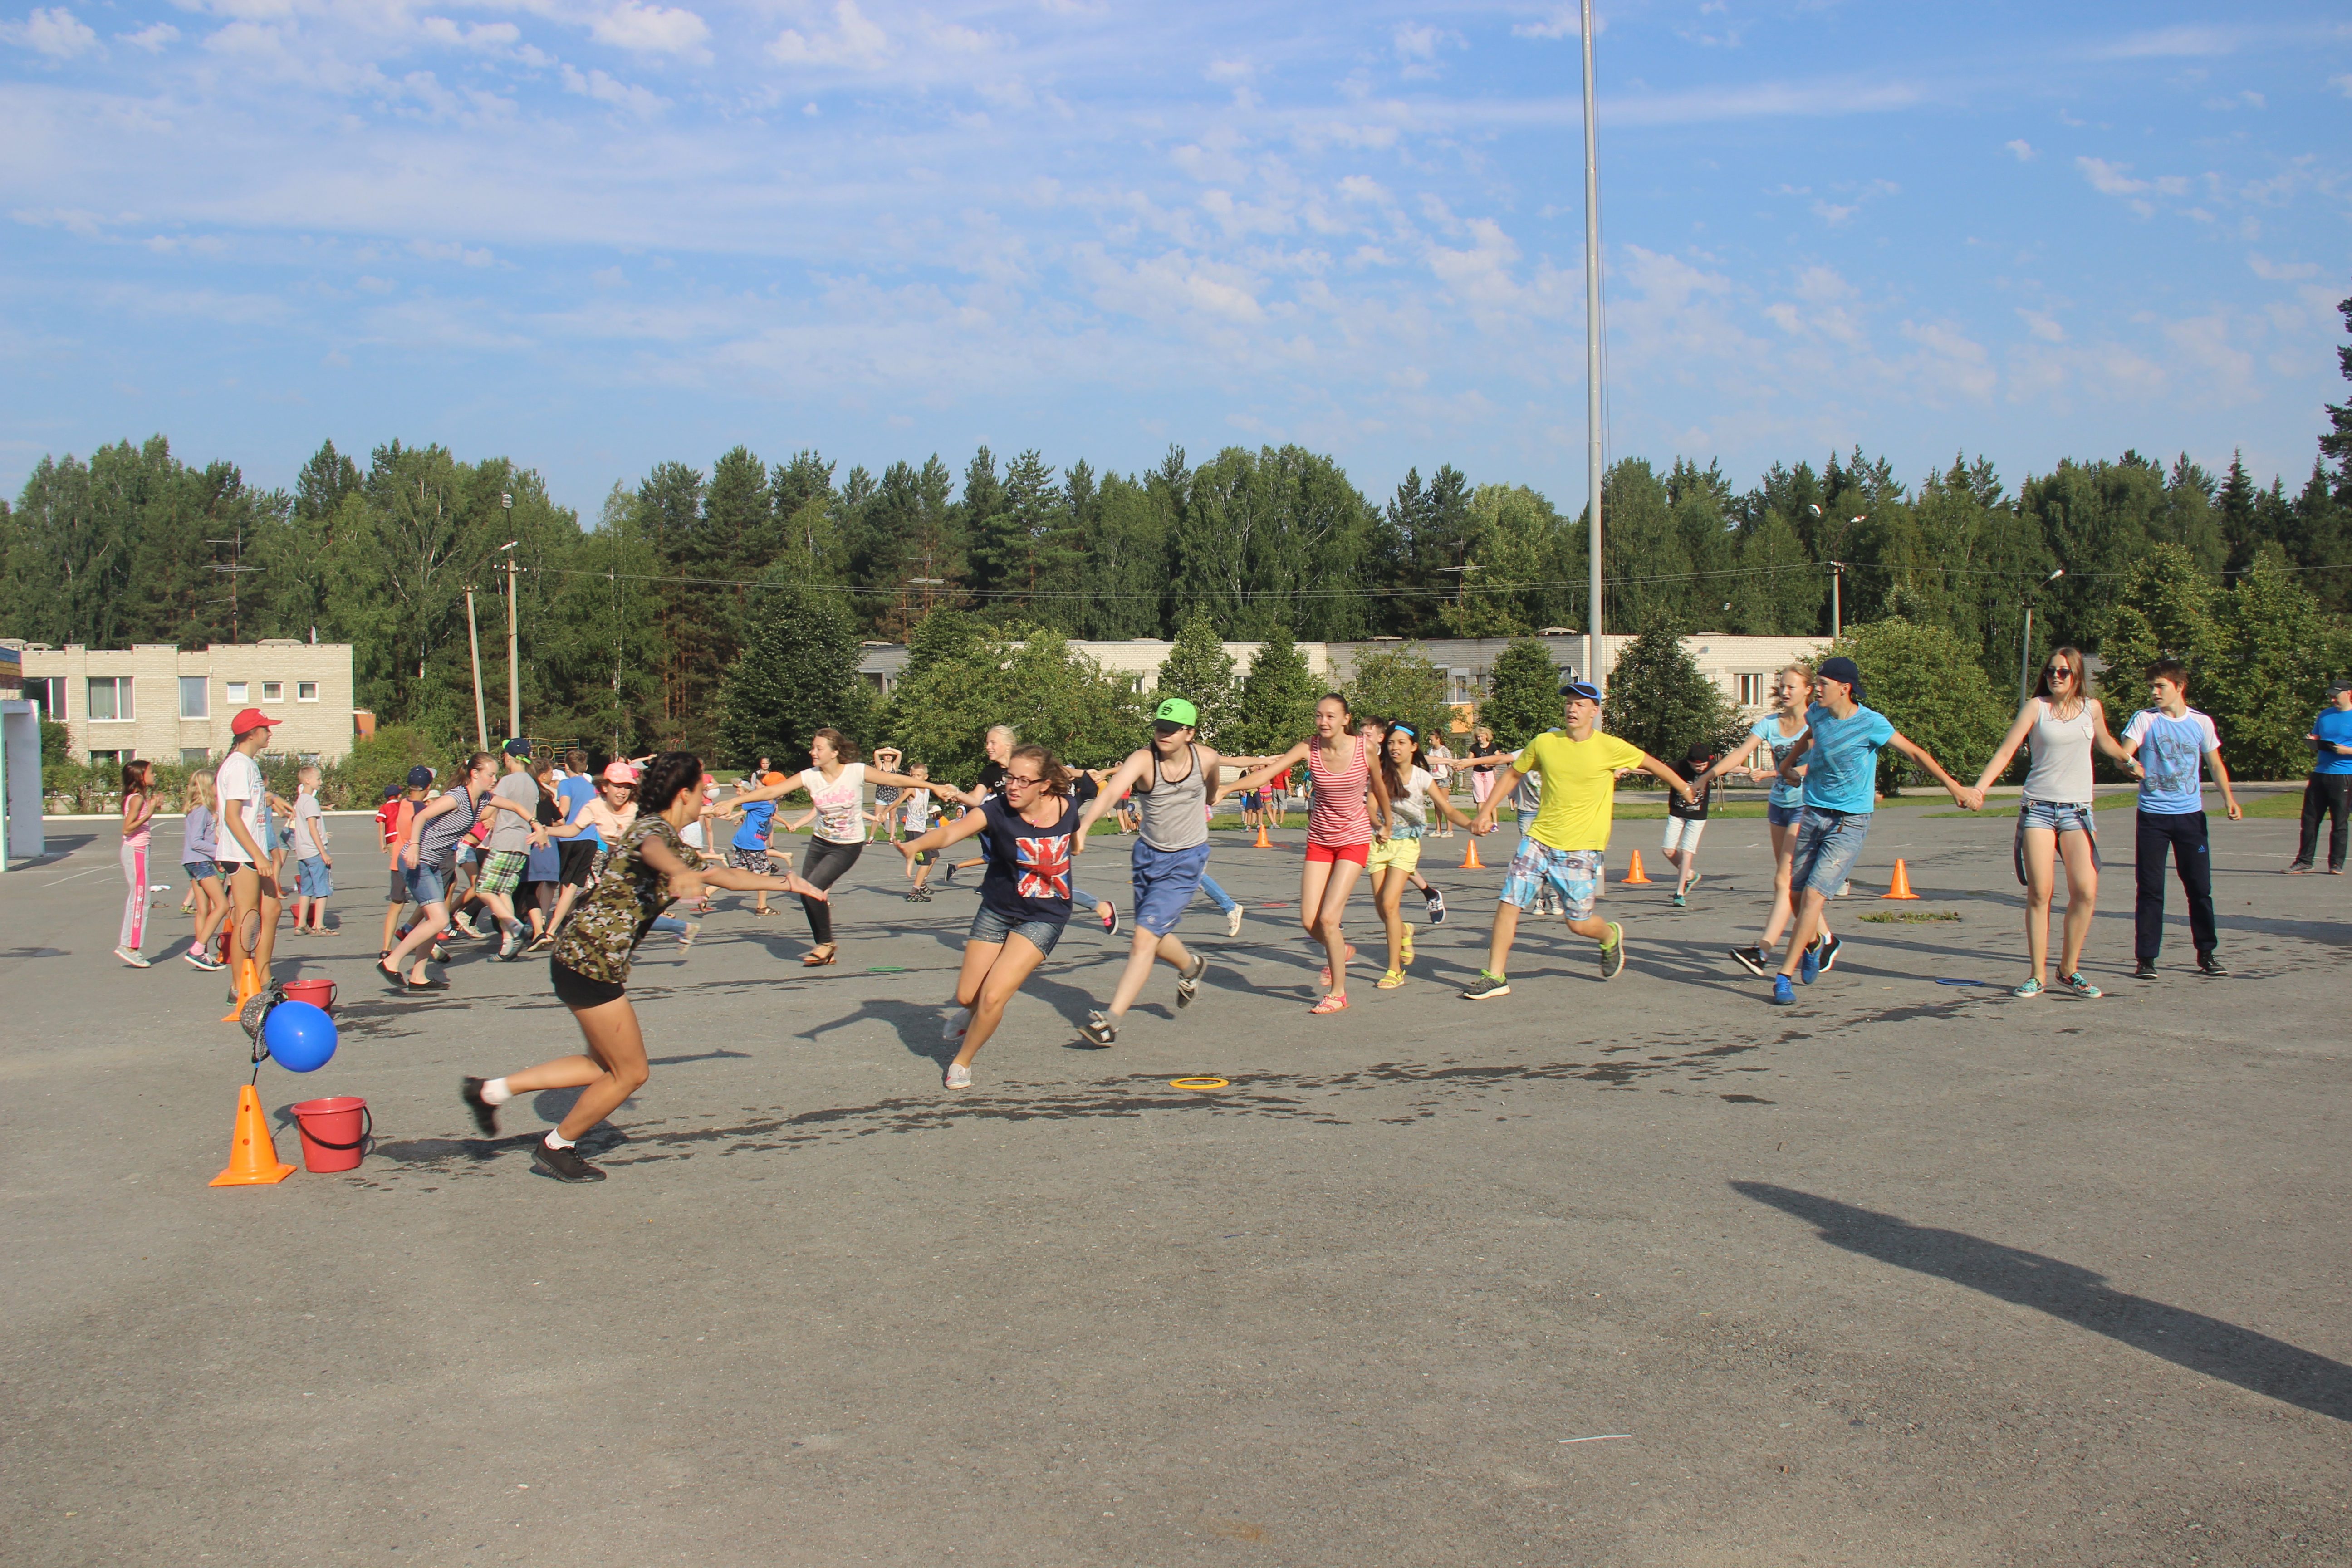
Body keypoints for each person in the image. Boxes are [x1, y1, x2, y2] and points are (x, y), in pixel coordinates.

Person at [460, 751, 823, 1181]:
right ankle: (557, 1145)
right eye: (702, 790)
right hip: (590, 963)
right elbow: (654, 853)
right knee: (631, 1072)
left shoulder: (669, 836)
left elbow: (720, 876)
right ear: (684, 794)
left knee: (602, 1065)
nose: (707, 795)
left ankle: (490, 1091)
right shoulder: (653, 831)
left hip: (582, 958)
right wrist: (676, 872)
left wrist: (785, 882)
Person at [1764, 656, 1982, 1006]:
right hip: (1814, 813)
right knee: (1795, 894)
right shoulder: (1817, 715)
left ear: (1844, 688)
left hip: (1849, 822)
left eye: (1822, 684)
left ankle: (1783, 976)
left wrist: (1954, 787)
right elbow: (1808, 738)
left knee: (1813, 899)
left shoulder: (1871, 724)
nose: (1816, 689)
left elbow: (1914, 752)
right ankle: (1814, 944)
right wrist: (1788, 766)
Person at [1456, 681, 1693, 1000]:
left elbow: (1651, 763)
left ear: (1595, 711)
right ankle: (1496, 976)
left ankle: (1609, 936)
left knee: (1578, 924)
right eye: (1569, 703)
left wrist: (1684, 788)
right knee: (1510, 901)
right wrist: (1486, 811)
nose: (1572, 708)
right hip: (1539, 838)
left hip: (1581, 845)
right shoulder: (1545, 742)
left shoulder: (1611, 746)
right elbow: (1514, 773)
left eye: (1581, 704)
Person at [894, 743, 1085, 1089]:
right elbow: (952, 832)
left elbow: (1076, 827)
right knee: (969, 997)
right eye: (1010, 777)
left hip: (1046, 914)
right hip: (997, 911)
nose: (1013, 785)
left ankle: (962, 1062)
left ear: (1044, 785)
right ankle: (970, 1014)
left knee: (994, 996)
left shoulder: (1067, 806)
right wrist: (915, 845)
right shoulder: (996, 811)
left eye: (1024, 780)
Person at [1970, 647, 2142, 998]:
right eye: (2051, 671)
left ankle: (2069, 969)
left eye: (2064, 672)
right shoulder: (2037, 708)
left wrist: (2128, 760)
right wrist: (1979, 789)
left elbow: (2106, 741)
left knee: (2086, 891)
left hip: (2078, 811)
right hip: (2039, 809)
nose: (2056, 677)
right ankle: (2037, 974)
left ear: (2077, 675)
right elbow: (2006, 751)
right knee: (2040, 893)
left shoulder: (2091, 709)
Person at [1071, 698, 1237, 1045]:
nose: (1163, 733)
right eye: (1160, 726)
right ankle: (1191, 966)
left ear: (1189, 733)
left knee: (1144, 938)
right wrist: (1084, 827)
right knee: (1152, 935)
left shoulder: (1206, 757)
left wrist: (1208, 799)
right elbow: (1113, 791)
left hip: (1186, 859)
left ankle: (1111, 1021)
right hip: (1148, 857)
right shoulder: (1143, 760)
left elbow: (1211, 790)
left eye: (1172, 728)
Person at [1227, 693, 1392, 1014]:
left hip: (1353, 839)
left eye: (1331, 716)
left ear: (1346, 719)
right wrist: (1226, 789)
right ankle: (1340, 949)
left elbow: (1379, 787)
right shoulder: (1309, 747)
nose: (1323, 722)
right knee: (1309, 921)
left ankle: (1338, 993)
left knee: (1329, 917)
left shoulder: (1364, 748)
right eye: (1319, 716)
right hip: (1320, 839)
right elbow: (1266, 773)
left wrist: (1385, 821)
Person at [752, 729, 931, 967]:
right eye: (813, 747)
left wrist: (935, 787)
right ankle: (825, 946)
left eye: (819, 748)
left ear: (835, 752)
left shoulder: (855, 771)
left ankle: (825, 945)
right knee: (807, 893)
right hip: (819, 842)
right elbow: (773, 790)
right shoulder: (811, 776)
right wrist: (733, 802)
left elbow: (896, 780)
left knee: (812, 888)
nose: (812, 752)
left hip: (847, 845)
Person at [2119, 660, 2242, 979]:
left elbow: (2215, 764)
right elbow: (2125, 752)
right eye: (2151, 687)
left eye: (2160, 686)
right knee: (2150, 889)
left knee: (2200, 888)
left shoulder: (2200, 722)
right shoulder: (2145, 719)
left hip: (2190, 817)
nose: (2155, 692)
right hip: (2153, 818)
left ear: (2179, 687)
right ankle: (2146, 959)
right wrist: (2129, 765)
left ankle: (2207, 953)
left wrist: (2229, 799)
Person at [1706, 665, 1824, 977]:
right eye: (1781, 686)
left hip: (1806, 806)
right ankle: (1821, 939)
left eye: (1792, 687)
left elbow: (1824, 764)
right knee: (1795, 884)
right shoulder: (1770, 724)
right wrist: (1708, 775)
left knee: (1783, 881)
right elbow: (1741, 754)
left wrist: (1798, 774)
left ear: (1808, 690)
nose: (1785, 692)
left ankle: (1763, 951)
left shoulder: (1819, 722)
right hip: (1779, 805)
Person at [1364, 720, 1475, 989]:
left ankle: (1395, 970)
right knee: (1382, 909)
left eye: (1401, 743)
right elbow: (1371, 805)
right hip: (1378, 844)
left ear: (1414, 747)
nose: (1395, 748)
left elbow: (1448, 810)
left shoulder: (1421, 777)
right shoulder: (1378, 771)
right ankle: (1405, 931)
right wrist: (1379, 827)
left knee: (1390, 905)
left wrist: (1472, 825)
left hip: (1407, 846)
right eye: (1390, 742)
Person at [380, 751, 498, 992]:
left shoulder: (479, 799)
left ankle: (418, 976)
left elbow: (507, 804)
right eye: (492, 774)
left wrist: (534, 822)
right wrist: (413, 847)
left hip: (430, 862)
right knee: (440, 919)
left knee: (432, 919)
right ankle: (390, 961)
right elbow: (419, 820)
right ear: (475, 774)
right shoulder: (452, 799)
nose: (495, 779)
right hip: (418, 861)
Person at [213, 708, 284, 991]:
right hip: (243, 854)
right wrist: (257, 855)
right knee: (248, 918)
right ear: (252, 733)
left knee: (273, 908)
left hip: (254, 852)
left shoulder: (247, 765)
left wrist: (272, 799)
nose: (270, 733)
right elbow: (232, 816)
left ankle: (263, 975)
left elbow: (247, 807)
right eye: (266, 728)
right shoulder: (240, 765)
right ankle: (240, 987)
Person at [468, 740, 553, 960]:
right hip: (523, 844)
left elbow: (488, 810)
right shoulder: (532, 783)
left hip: (504, 841)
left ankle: (516, 927)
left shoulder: (507, 781)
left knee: (483, 889)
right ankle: (508, 944)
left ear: (507, 757)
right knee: (504, 891)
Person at [535, 748, 603, 950]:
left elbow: (563, 811)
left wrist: (547, 823)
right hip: (589, 838)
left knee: (554, 883)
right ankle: (553, 929)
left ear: (565, 767)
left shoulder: (565, 784)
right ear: (586, 768)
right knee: (572, 886)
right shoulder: (592, 787)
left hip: (567, 836)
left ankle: (541, 926)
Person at [2288, 679, 2352, 874]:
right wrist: (2312, 740)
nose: (2333, 699)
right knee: (2310, 819)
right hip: (2320, 773)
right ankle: (2305, 861)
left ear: (2349, 693)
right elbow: (2318, 736)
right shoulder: (2324, 715)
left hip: (2344, 774)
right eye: (2331, 695)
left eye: (2336, 695)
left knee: (2339, 821)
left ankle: (2336, 863)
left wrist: (2346, 750)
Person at [946, 724, 1019, 882]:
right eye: (987, 743)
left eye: (993, 743)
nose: (988, 747)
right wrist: (957, 793)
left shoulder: (1022, 763)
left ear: (1008, 745)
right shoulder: (989, 771)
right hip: (1008, 827)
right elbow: (975, 800)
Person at [378, 768, 431, 959]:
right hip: (413, 861)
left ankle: (386, 948)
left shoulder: (404, 802)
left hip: (396, 862)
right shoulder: (421, 810)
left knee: (396, 905)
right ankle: (426, 944)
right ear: (428, 787)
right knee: (431, 904)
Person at [179, 769, 228, 971]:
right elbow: (197, 842)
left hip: (194, 862)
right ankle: (198, 950)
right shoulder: (201, 811)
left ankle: (201, 953)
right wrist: (221, 852)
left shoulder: (198, 810)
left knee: (204, 909)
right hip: (200, 862)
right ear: (208, 787)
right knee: (223, 906)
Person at [718, 770, 786, 914]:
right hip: (752, 841)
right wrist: (725, 810)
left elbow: (772, 814)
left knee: (738, 872)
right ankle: (762, 907)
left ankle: (707, 891)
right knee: (765, 871)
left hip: (747, 840)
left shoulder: (772, 801)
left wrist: (787, 823)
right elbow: (743, 804)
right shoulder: (761, 800)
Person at [113, 758, 160, 967]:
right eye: (151, 772)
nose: (154, 776)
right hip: (136, 850)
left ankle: (130, 945)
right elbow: (127, 828)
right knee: (141, 898)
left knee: (140, 897)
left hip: (139, 850)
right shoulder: (137, 799)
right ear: (141, 776)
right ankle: (130, 946)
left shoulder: (139, 798)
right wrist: (149, 814)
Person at [1661, 743, 1717, 908]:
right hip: (1677, 813)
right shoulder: (1678, 766)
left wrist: (1752, 771)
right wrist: (1626, 769)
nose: (1701, 769)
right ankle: (1690, 875)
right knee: (1668, 850)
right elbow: (1654, 769)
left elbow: (1734, 767)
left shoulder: (1713, 766)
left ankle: (1679, 893)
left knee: (1687, 852)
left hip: (1697, 817)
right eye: (1697, 766)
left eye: (1704, 766)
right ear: (1690, 762)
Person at [289, 763, 335, 936]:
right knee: (322, 888)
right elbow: (313, 828)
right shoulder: (311, 801)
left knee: (306, 889)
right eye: (318, 779)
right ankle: (319, 925)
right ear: (308, 781)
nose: (321, 782)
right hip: (315, 852)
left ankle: (301, 924)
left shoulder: (300, 800)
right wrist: (323, 851)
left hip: (303, 852)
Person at [1466, 725, 1506, 811]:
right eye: (1478, 737)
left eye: (1482, 737)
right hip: (1478, 773)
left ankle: (1493, 820)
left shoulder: (1492, 746)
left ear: (1486, 736)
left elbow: (1499, 758)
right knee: (1480, 800)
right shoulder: (1474, 747)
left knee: (1489, 798)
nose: (1480, 739)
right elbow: (1469, 760)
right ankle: (1481, 820)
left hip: (1489, 773)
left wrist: (1490, 765)